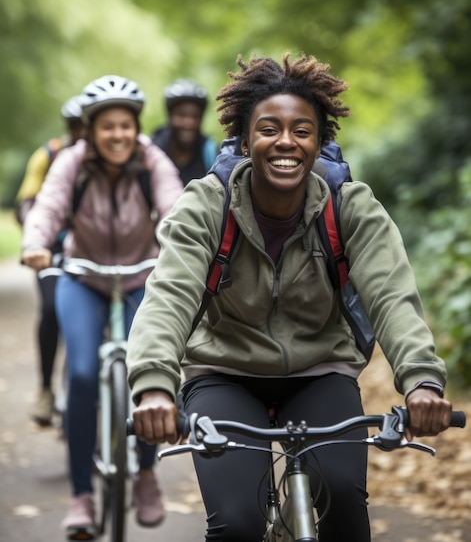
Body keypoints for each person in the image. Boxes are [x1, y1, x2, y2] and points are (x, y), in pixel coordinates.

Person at [126, 53, 453, 542]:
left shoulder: (350, 206)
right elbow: (168, 296)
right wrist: (153, 385)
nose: (285, 142)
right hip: (224, 374)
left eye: (302, 131)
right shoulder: (206, 204)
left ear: (320, 141)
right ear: (243, 138)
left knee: (343, 500)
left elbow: (392, 296)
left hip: (321, 372)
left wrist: (422, 380)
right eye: (269, 129)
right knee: (236, 522)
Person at [21, 75, 184, 540]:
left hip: (141, 275)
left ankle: (147, 474)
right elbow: (49, 206)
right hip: (82, 275)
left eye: (126, 126)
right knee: (82, 376)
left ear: (136, 128)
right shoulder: (73, 162)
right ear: (91, 130)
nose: (118, 135)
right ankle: (81, 496)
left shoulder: (153, 160)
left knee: (149, 370)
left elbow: (173, 207)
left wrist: (180, 249)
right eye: (107, 126)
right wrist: (35, 242)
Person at [15, 96, 86, 426]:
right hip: (54, 252)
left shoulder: (111, 157)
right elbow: (27, 203)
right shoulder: (51, 155)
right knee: (49, 310)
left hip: (92, 251)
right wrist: (37, 240)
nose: (81, 133)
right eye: (75, 127)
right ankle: (45, 389)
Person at [151, 78, 219, 185]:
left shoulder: (211, 154)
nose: (188, 123)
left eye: (195, 116)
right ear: (169, 115)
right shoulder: (153, 151)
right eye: (181, 115)